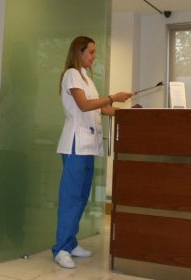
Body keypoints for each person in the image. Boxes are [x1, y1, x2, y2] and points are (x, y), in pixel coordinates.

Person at [52, 36, 132, 269]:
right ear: (79, 52)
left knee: (81, 197)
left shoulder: (86, 77)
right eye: (91, 52)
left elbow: (101, 108)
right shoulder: (71, 74)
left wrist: (125, 111)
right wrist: (113, 97)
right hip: (75, 144)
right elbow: (84, 105)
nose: (94, 56)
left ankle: (71, 243)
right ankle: (60, 249)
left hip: (88, 146)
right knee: (70, 198)